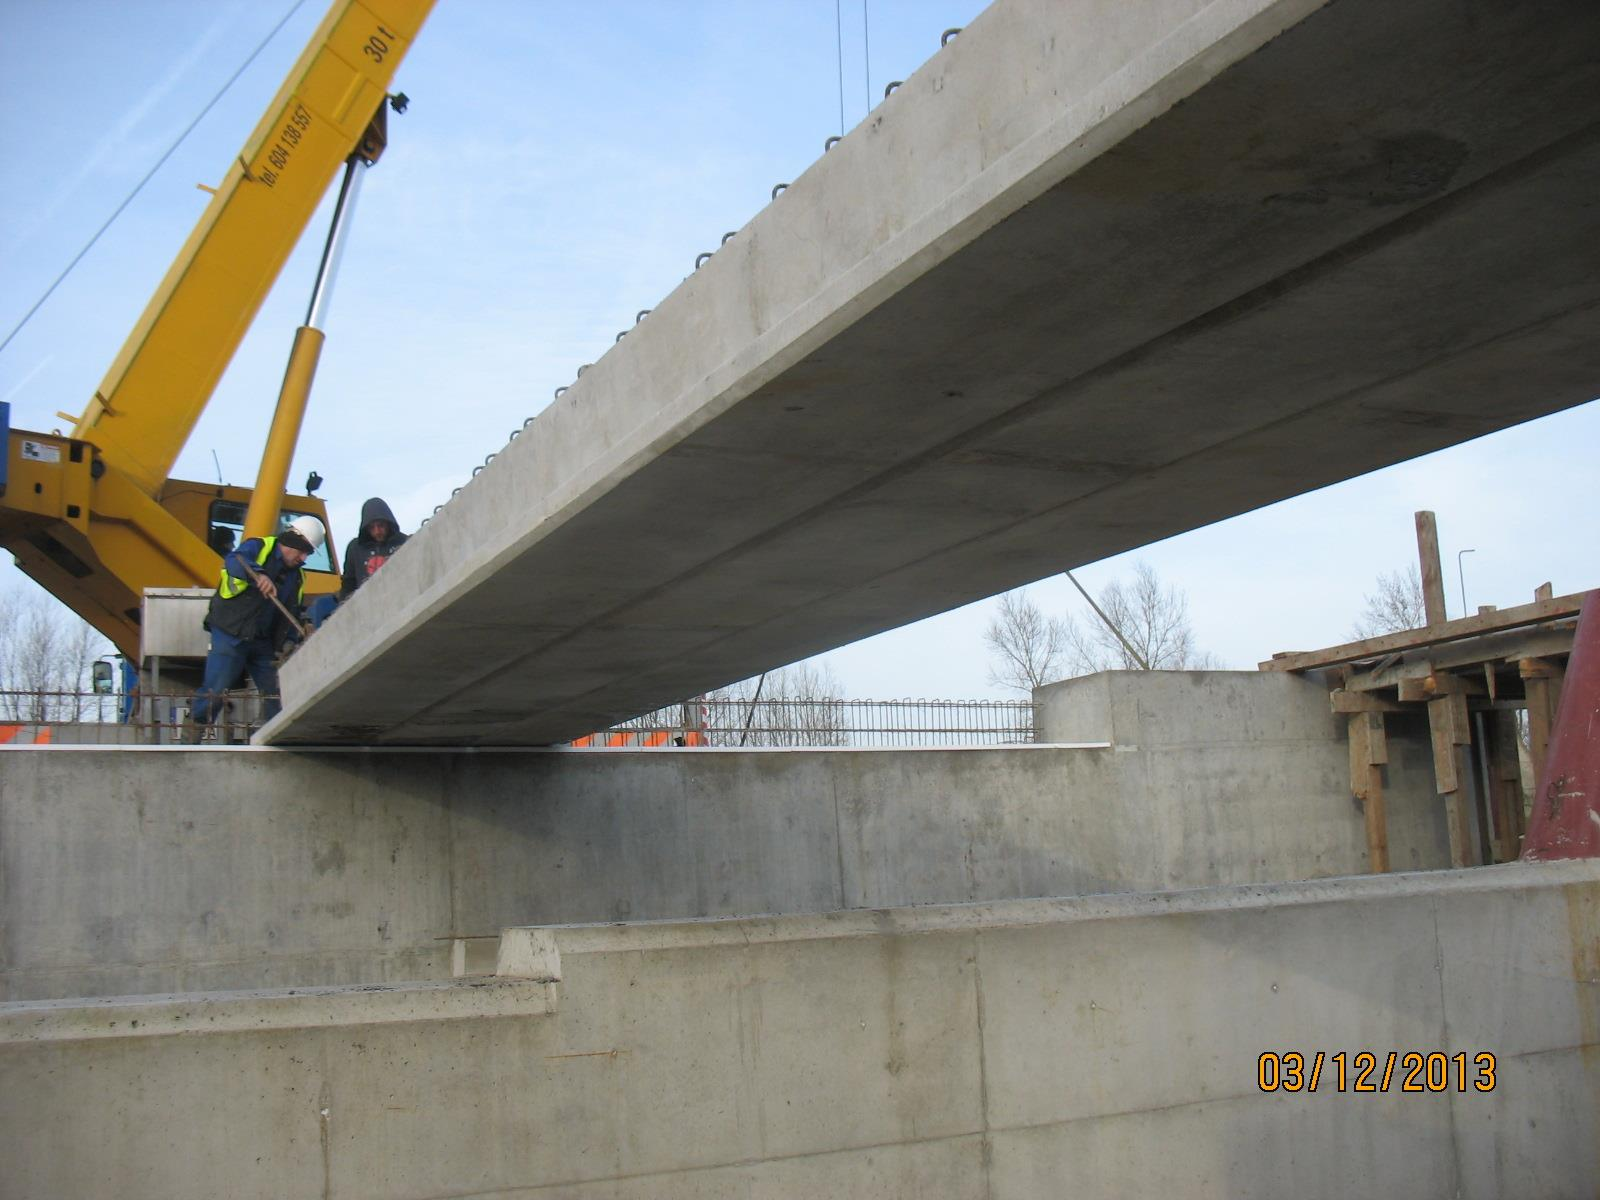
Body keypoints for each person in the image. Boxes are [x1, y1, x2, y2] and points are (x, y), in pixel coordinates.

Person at [183, 514, 323, 741]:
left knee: (275, 694)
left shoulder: (296, 577)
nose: (303, 557)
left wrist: (293, 638)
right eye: (302, 550)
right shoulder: (258, 547)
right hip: (231, 632)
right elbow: (235, 561)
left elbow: (291, 614)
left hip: (262, 643)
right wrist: (259, 574)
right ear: (292, 541)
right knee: (216, 690)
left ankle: (275, 738)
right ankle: (193, 734)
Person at [339, 497, 408, 599]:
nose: (377, 531)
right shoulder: (355, 548)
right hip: (368, 606)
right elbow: (348, 584)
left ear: (388, 523)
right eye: (372, 527)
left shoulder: (403, 542)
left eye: (381, 526)